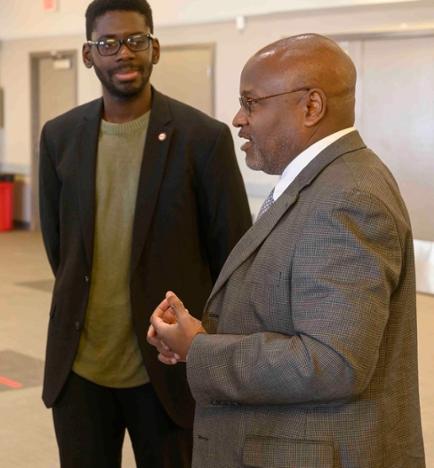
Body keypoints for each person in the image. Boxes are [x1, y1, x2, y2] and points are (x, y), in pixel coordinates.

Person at [147, 33, 426, 468]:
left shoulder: (346, 197)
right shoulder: (322, 180)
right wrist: (195, 338)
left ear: (311, 107)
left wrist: (200, 348)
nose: (238, 119)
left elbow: (332, 362)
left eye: (251, 103)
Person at [38, 0, 252, 468]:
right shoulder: (60, 136)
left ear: (155, 48)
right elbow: (60, 247)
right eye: (109, 43)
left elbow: (233, 255)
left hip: (167, 368)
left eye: (136, 39)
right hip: (80, 369)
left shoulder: (203, 138)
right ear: (89, 55)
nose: (124, 53)